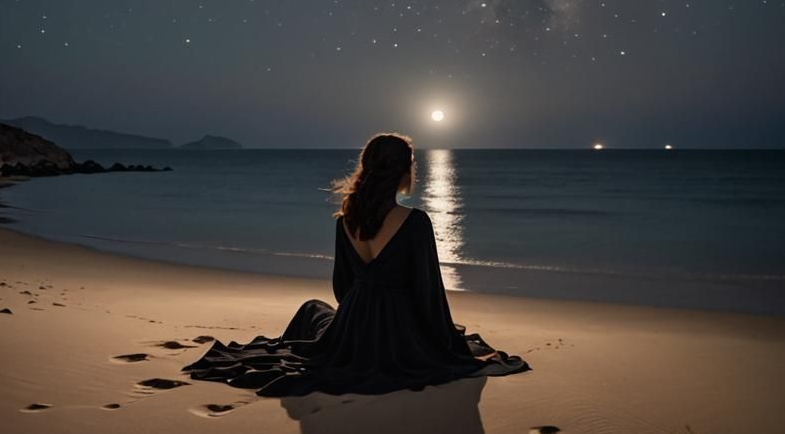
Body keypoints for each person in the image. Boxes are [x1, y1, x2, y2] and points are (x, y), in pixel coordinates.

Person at [182, 132, 529, 395]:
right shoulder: (415, 221)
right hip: (400, 330)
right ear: (403, 171)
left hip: (353, 321)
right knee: (322, 314)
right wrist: (447, 343)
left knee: (312, 310)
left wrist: (358, 315)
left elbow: (342, 287)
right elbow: (427, 294)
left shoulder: (345, 221)